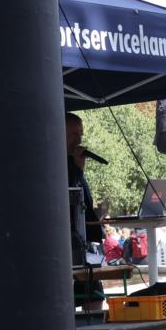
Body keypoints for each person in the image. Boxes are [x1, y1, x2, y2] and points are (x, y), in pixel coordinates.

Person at [65, 113, 106, 308]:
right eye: (74, 134)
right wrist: (77, 169)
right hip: (67, 240)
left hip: (83, 238)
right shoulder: (54, 162)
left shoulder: (73, 163)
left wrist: (79, 168)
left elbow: (83, 198)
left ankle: (95, 324)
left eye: (81, 134)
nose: (79, 139)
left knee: (94, 295)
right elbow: (69, 194)